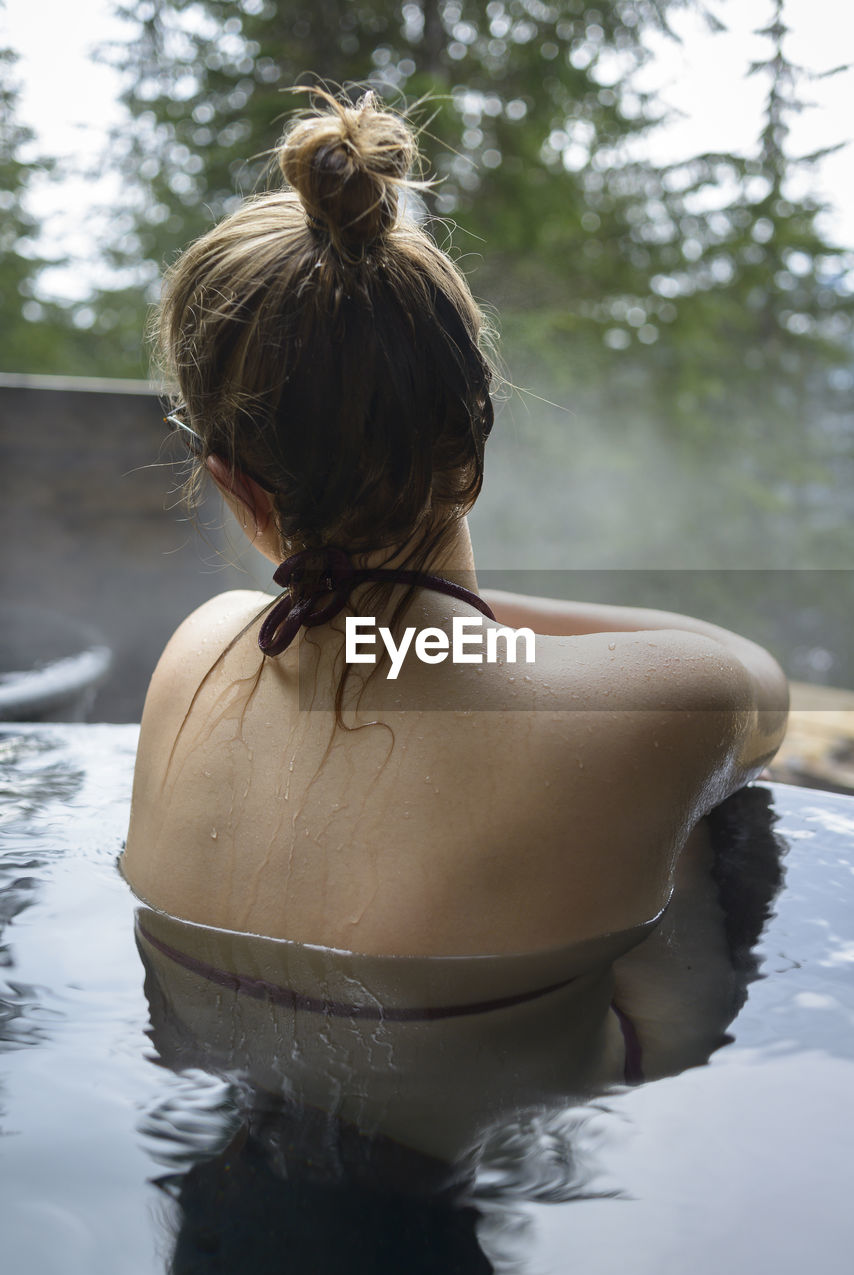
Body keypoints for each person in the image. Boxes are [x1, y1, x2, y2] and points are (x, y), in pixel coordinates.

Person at [122, 91, 788, 1122]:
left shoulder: (196, 649)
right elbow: (749, 683)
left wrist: (369, 589)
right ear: (471, 435)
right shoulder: (656, 707)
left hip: (227, 1145)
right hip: (493, 1152)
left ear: (237, 487)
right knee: (724, 832)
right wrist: (445, 604)